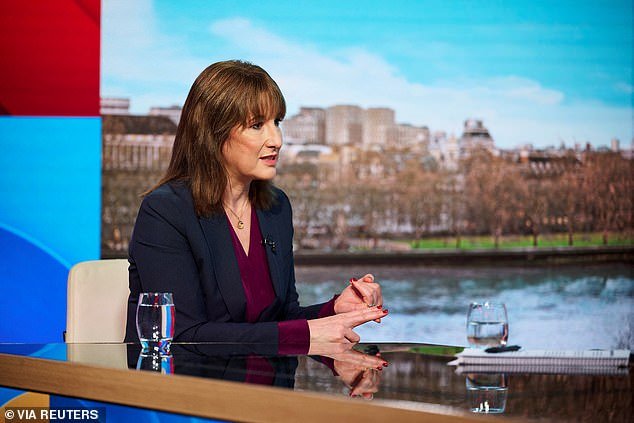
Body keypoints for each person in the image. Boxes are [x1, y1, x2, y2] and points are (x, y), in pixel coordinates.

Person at [124, 60, 387, 353]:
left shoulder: (276, 207)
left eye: (277, 122)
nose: (276, 140)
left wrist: (334, 309)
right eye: (257, 125)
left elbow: (282, 319)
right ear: (212, 133)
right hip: (182, 379)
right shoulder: (165, 212)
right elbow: (184, 336)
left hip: (265, 381)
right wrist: (307, 332)